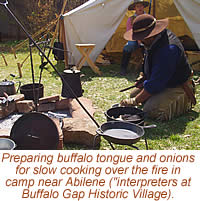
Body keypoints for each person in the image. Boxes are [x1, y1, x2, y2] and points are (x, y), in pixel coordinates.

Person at [120, 14, 196, 121]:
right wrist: (143, 78)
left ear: (151, 35)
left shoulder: (168, 49)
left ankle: (185, 101)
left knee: (151, 110)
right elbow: (151, 67)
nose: (140, 41)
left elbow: (156, 83)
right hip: (163, 81)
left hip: (177, 85)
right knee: (134, 94)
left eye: (142, 37)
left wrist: (135, 101)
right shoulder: (153, 41)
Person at [120, 0, 149, 75]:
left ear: (143, 7)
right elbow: (129, 32)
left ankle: (147, 69)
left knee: (148, 48)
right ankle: (123, 68)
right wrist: (138, 39)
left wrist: (144, 40)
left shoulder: (148, 17)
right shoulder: (131, 19)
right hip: (134, 38)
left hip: (147, 39)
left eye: (141, 6)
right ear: (135, 8)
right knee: (128, 47)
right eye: (137, 6)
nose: (140, 8)